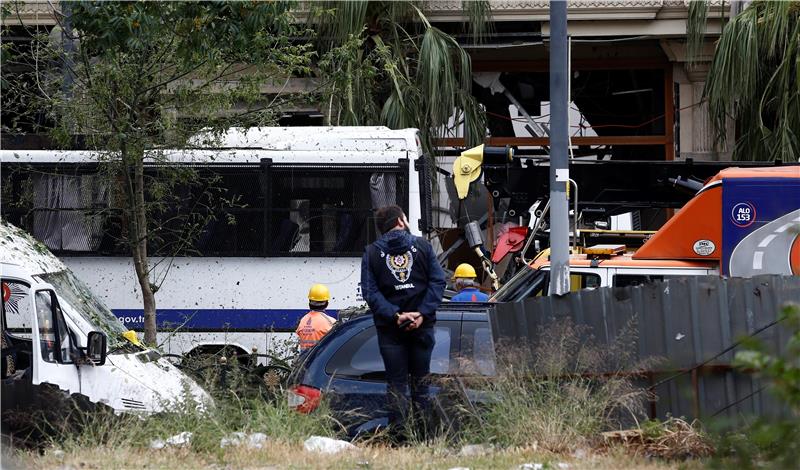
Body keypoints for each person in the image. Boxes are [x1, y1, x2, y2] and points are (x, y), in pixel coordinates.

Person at [360, 205, 446, 437]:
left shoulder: (370, 253)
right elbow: (438, 282)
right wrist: (421, 313)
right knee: (421, 385)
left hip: (390, 330)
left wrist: (395, 315)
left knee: (396, 386)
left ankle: (400, 438)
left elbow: (370, 292)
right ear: (400, 221)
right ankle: (424, 438)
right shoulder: (424, 247)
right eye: (405, 218)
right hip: (422, 328)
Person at [295, 284, 337, 351]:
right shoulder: (331, 322)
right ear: (327, 304)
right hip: (321, 360)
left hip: (303, 360)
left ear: (309, 302)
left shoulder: (303, 320)